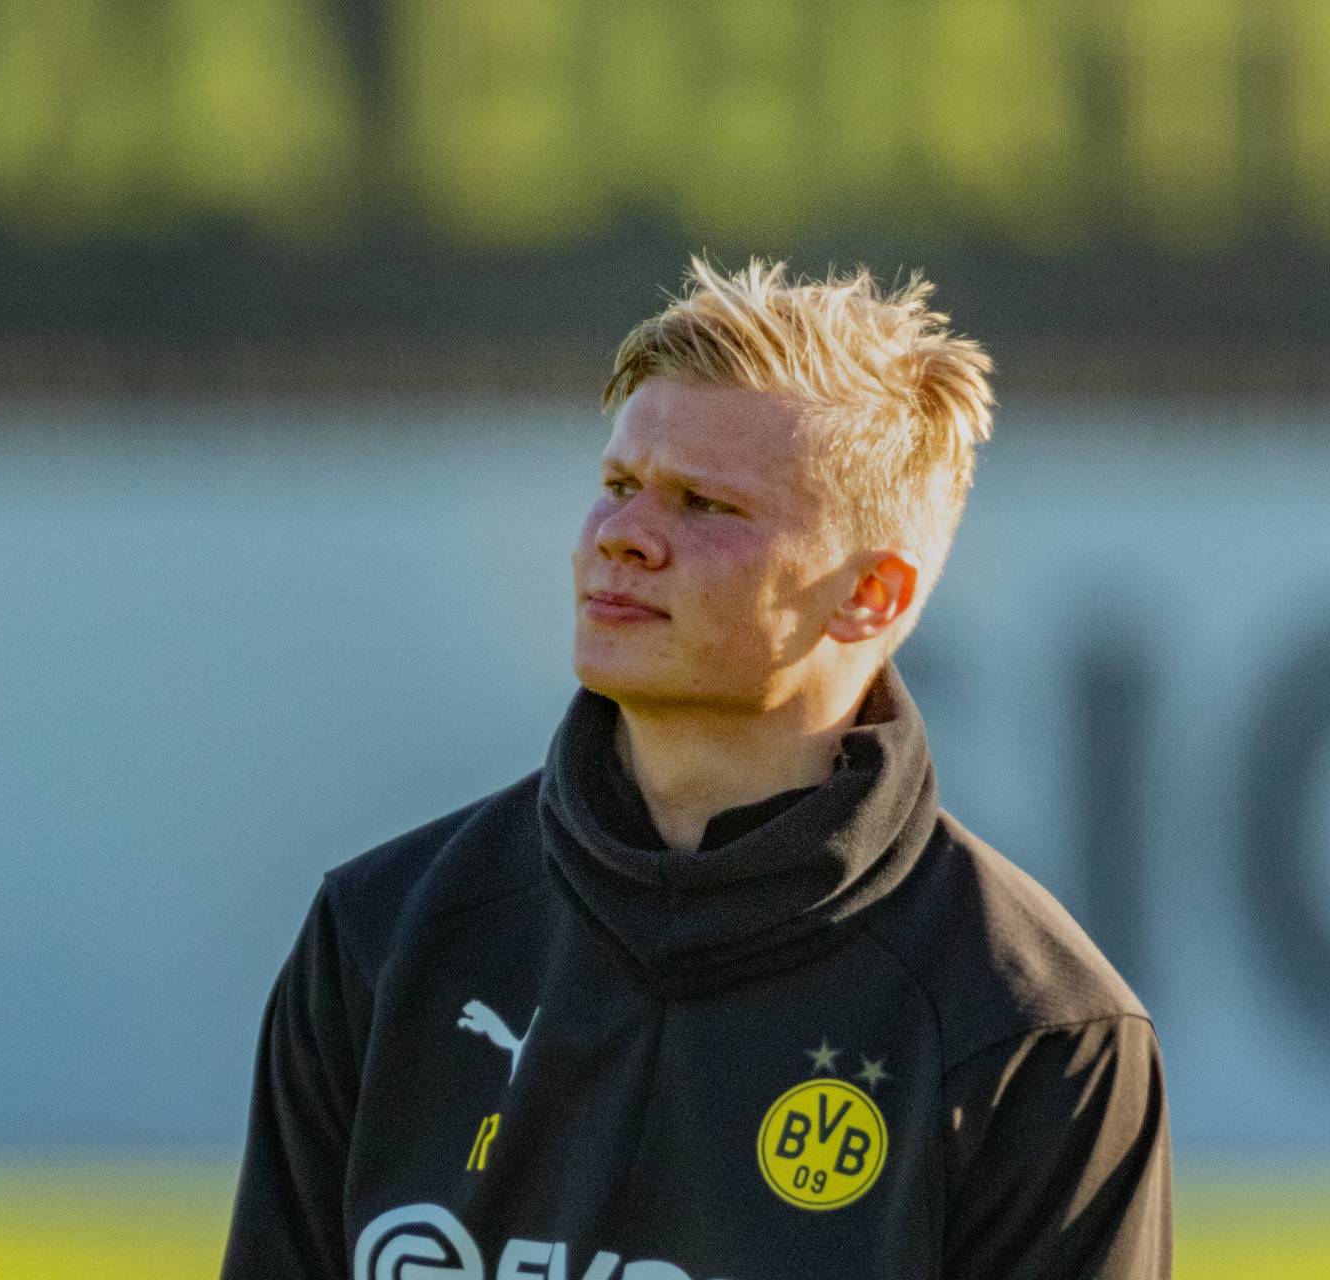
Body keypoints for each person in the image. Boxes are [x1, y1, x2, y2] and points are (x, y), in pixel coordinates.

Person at [219, 257, 1168, 1280]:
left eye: (702, 504)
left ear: (870, 595)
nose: (622, 536)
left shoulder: (1035, 1028)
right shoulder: (383, 935)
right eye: (619, 485)